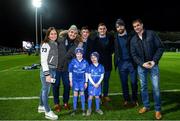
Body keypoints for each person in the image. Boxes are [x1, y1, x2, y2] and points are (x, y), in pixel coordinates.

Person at [130, 19, 164, 120]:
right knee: (143, 87)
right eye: (134, 26)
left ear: (142, 25)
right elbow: (134, 55)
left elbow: (160, 48)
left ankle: (158, 109)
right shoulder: (133, 40)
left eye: (138, 25)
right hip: (141, 67)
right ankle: (146, 106)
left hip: (153, 65)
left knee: (156, 88)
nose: (136, 28)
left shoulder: (151, 34)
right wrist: (142, 64)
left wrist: (154, 61)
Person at [53, 25, 81, 112]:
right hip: (56, 67)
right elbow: (56, 36)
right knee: (56, 85)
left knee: (67, 86)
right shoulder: (60, 40)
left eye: (75, 33)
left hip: (67, 69)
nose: (73, 34)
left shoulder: (77, 45)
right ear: (68, 32)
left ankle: (65, 102)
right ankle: (56, 103)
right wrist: (65, 31)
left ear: (76, 35)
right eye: (71, 32)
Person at [114, 18, 138, 107]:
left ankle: (135, 99)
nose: (119, 28)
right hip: (121, 64)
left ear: (124, 26)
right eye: (117, 26)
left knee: (134, 82)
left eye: (120, 25)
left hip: (132, 63)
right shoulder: (115, 37)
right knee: (124, 83)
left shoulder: (131, 35)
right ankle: (126, 99)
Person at [38, 27, 58, 120]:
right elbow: (43, 60)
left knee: (44, 89)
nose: (54, 35)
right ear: (48, 35)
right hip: (47, 70)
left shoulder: (54, 43)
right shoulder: (46, 44)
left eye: (55, 34)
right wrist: (47, 74)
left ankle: (41, 106)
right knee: (46, 91)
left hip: (53, 69)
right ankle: (47, 111)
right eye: (52, 34)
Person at [92, 23, 114, 102]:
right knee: (98, 80)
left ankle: (105, 95)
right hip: (98, 64)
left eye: (103, 28)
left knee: (106, 81)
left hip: (107, 63)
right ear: (98, 30)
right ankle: (98, 95)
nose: (102, 30)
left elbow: (112, 50)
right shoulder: (95, 40)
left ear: (106, 29)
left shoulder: (110, 39)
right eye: (100, 29)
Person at [68, 47, 89, 116]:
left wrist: (86, 82)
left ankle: (83, 109)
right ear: (75, 54)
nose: (79, 55)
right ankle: (74, 109)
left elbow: (86, 73)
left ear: (82, 54)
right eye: (77, 54)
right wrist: (71, 81)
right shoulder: (73, 61)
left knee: (82, 94)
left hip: (82, 81)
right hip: (75, 81)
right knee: (75, 94)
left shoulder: (85, 62)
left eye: (80, 54)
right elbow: (70, 72)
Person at [86, 52, 104, 116]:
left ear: (98, 58)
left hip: (98, 85)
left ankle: (97, 109)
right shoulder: (90, 67)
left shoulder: (101, 66)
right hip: (91, 85)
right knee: (90, 96)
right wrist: (94, 84)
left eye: (95, 57)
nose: (93, 59)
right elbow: (89, 76)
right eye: (92, 58)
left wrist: (98, 83)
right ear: (90, 59)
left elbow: (102, 76)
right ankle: (89, 109)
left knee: (97, 96)